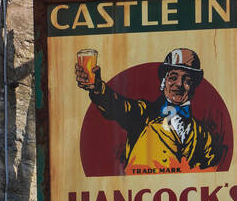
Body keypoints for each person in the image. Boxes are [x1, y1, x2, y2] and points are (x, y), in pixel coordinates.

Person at [76, 47, 223, 173]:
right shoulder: (143, 113)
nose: (179, 84)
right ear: (163, 82)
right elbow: (118, 106)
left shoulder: (202, 135)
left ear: (193, 87)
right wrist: (98, 89)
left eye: (187, 80)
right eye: (173, 77)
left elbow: (211, 174)